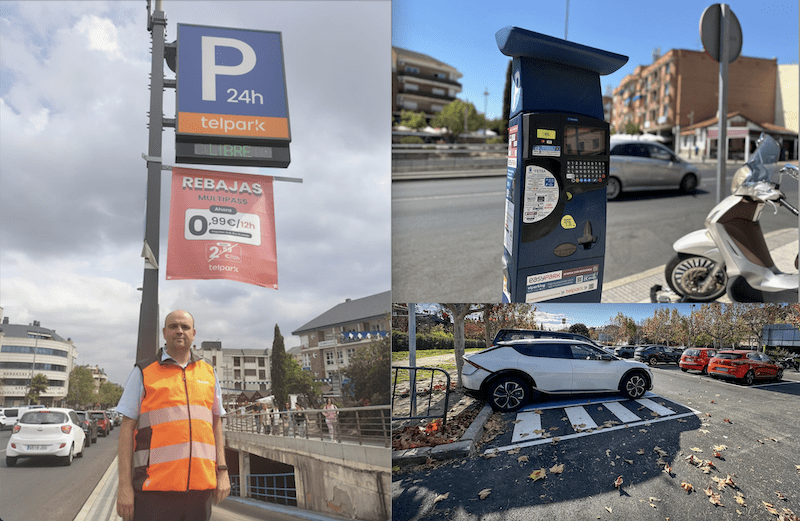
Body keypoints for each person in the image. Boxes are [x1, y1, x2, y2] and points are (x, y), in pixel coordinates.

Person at [116, 310, 231, 521]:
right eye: (173, 326)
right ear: (164, 332)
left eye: (185, 327)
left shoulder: (208, 372)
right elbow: (126, 430)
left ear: (193, 334)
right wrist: (124, 487)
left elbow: (215, 424)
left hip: (200, 492)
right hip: (154, 492)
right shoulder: (144, 371)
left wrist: (222, 471)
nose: (179, 331)